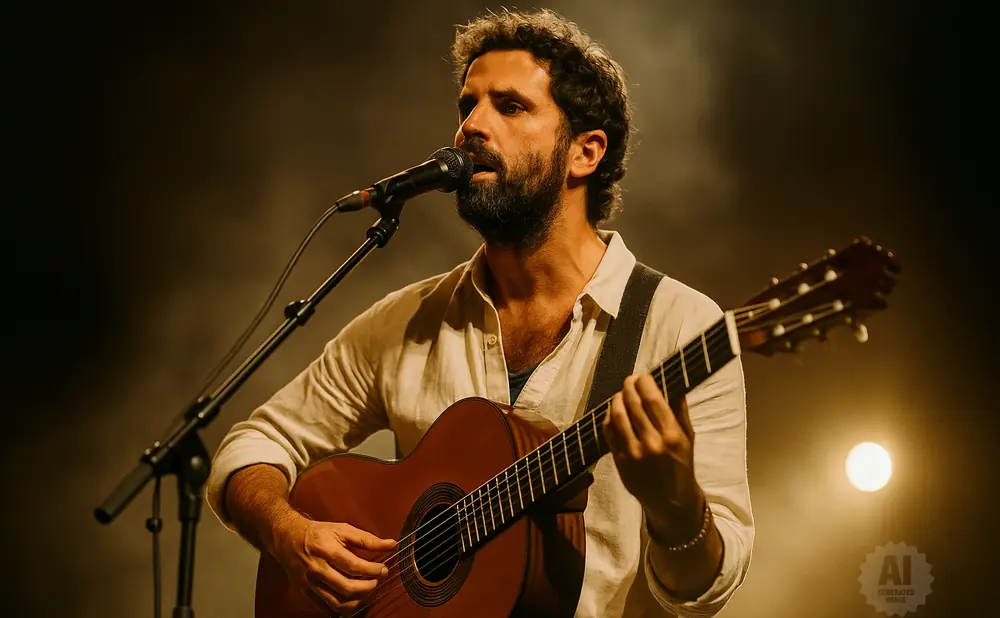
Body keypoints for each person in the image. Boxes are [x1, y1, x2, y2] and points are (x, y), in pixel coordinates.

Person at [205, 8, 753, 618]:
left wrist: (677, 505)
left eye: (510, 107)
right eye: (468, 105)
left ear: (585, 153)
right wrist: (288, 532)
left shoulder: (682, 326)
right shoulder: (406, 322)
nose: (471, 126)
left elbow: (705, 592)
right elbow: (249, 446)